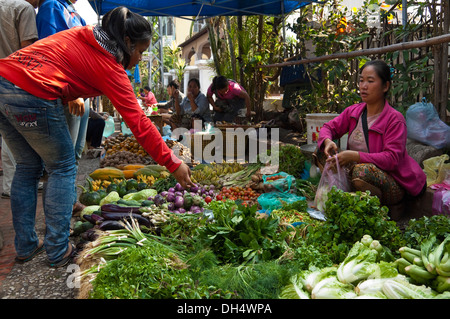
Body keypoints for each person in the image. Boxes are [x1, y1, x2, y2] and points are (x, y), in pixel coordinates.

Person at [0, 6, 193, 268]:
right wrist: (173, 163)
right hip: (32, 90)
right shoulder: (110, 65)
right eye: (140, 51)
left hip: (4, 82)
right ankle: (57, 250)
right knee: (63, 166)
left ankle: (26, 246)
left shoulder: (87, 34)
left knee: (27, 166)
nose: (138, 58)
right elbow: (139, 123)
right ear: (126, 42)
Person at [317, 60, 426, 212]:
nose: (363, 86)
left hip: (393, 179)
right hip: (358, 171)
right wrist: (328, 141)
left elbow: (391, 159)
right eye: (361, 80)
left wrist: (355, 156)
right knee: (323, 153)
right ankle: (347, 198)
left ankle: (381, 209)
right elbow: (328, 127)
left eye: (370, 81)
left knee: (362, 172)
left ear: (385, 86)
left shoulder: (395, 119)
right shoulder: (353, 112)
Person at [0, 0, 40, 251]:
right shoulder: (22, 8)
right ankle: (37, 245)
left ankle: (24, 245)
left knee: (19, 164)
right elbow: (29, 54)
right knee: (35, 165)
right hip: (16, 90)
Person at [37, 0, 90, 165]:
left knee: (74, 156)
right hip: (67, 93)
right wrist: (69, 91)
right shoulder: (52, 6)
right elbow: (49, 53)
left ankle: (68, 190)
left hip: (80, 95)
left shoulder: (74, 12)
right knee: (62, 161)